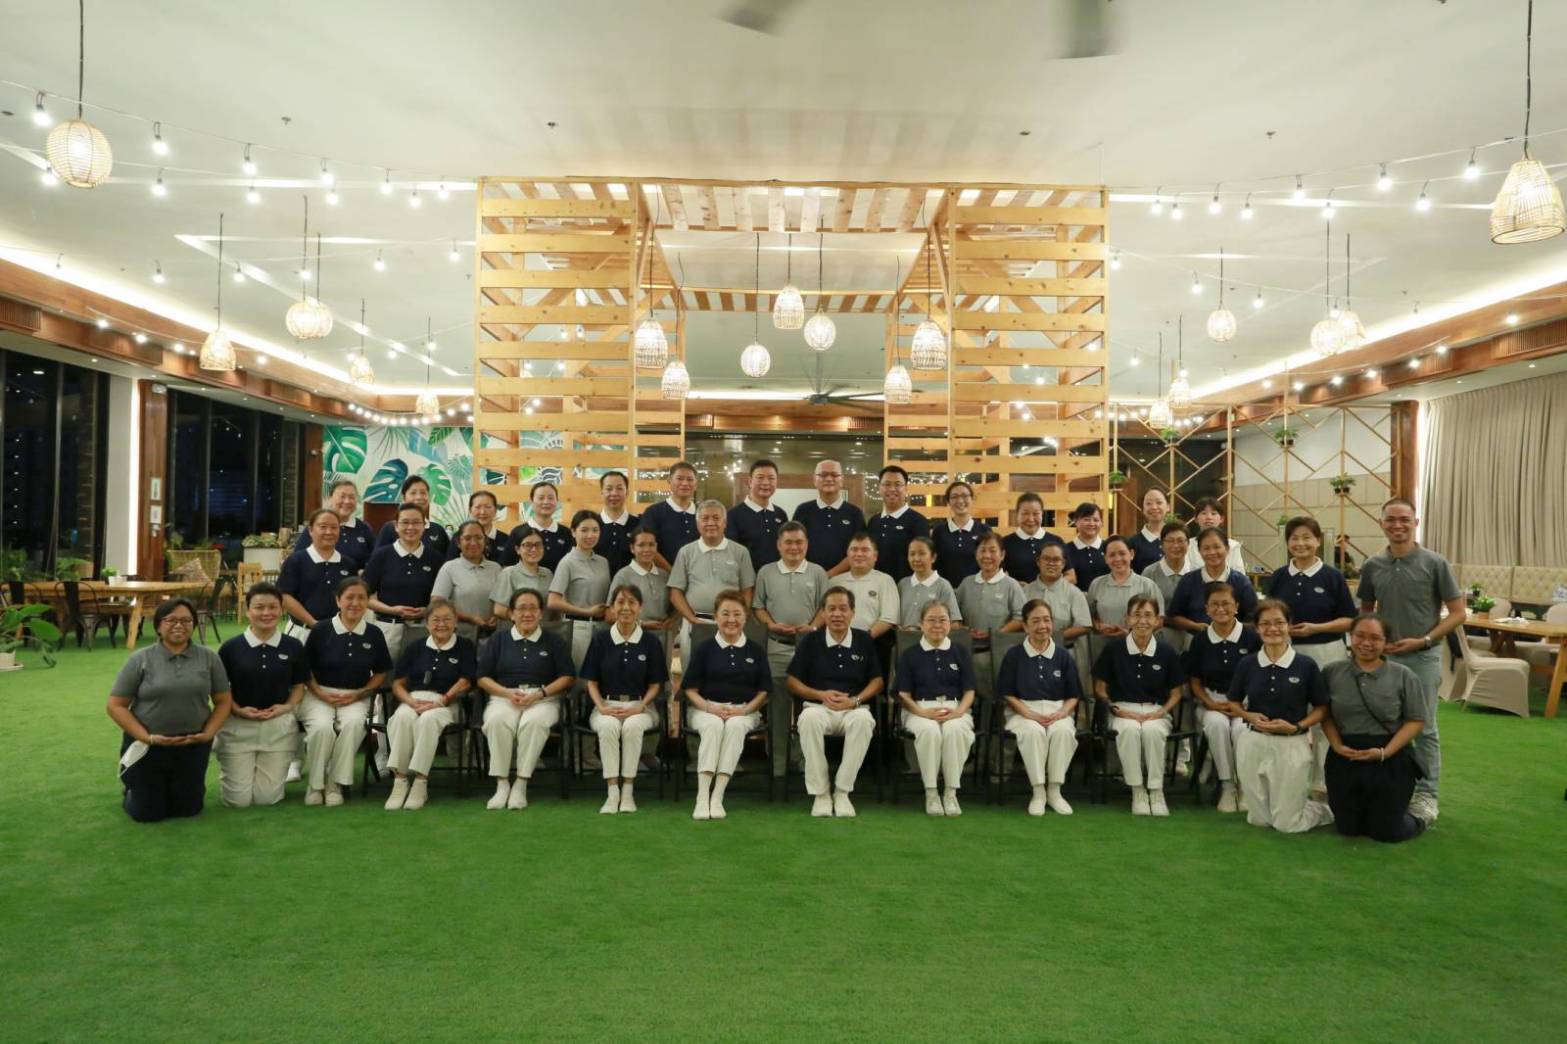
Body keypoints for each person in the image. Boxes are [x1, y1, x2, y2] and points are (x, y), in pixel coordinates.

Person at [1356, 497, 1464, 825]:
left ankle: (1427, 795)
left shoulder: (1435, 563)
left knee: (1425, 728)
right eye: (1391, 520)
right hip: (1383, 660)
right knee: (1384, 725)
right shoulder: (1373, 565)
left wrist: (1426, 639)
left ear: (1415, 522)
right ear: (1382, 523)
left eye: (1405, 519)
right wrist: (1370, 644)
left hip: (1423, 657)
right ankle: (1389, 788)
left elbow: (1458, 613)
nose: (1398, 525)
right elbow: (1366, 611)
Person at [106, 598, 233, 822]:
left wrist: (208, 734)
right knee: (148, 813)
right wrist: (147, 737)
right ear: (158, 626)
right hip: (148, 745)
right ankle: (133, 790)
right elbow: (116, 705)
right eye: (171, 620)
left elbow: (223, 700)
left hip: (192, 744)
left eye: (186, 620)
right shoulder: (140, 659)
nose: (178, 625)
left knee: (189, 809)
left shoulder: (209, 658)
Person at [1320, 614, 1428, 843]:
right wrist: (1336, 745)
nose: (1366, 643)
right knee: (1348, 828)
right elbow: (1325, 714)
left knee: (1387, 832)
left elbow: (1416, 720)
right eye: (1360, 635)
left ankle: (1420, 817)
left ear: (1386, 643)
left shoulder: (1404, 676)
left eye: (1375, 638)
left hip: (1390, 757)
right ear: (1350, 636)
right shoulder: (1332, 672)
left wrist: (1384, 752)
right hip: (1345, 757)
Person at [1229, 599, 1333, 833]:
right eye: (1265, 624)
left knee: (1287, 824)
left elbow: (1321, 708)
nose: (1272, 629)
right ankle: (1290, 805)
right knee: (1259, 820)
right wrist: (1248, 715)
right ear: (1256, 628)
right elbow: (1233, 702)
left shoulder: (1305, 665)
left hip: (1291, 743)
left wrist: (1297, 727)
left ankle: (1323, 810)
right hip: (1253, 741)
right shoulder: (1247, 664)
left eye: (1279, 623)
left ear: (1289, 625)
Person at [787, 586, 883, 817]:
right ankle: (820, 794)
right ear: (823, 613)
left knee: (864, 721)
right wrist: (820, 695)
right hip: (819, 707)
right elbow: (792, 681)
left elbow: (877, 681)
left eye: (843, 609)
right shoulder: (811, 641)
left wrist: (855, 700)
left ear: (852, 612)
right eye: (831, 609)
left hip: (853, 708)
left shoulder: (864, 640)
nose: (837, 614)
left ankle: (842, 792)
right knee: (808, 719)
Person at [477, 589, 576, 810]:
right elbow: (482, 678)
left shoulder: (554, 641)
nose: (527, 613)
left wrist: (539, 694)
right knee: (496, 721)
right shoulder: (498, 640)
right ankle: (502, 783)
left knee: (534, 722)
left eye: (533, 608)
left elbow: (567, 677)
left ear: (541, 613)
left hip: (543, 698)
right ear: (511, 613)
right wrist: (507, 693)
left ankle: (521, 783)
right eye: (521, 608)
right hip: (504, 696)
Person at [301, 577, 393, 806]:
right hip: (318, 693)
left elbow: (381, 671)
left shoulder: (374, 633)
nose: (355, 603)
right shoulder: (321, 630)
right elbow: (305, 669)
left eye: (361, 598)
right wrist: (320, 694)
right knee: (322, 728)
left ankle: (335, 784)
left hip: (356, 695)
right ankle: (315, 784)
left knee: (353, 725)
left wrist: (361, 693)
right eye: (349, 597)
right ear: (337, 600)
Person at [215, 583, 307, 808]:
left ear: (281, 609)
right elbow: (219, 690)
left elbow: (298, 686)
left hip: (278, 728)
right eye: (259, 607)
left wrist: (285, 708)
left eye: (273, 607)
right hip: (238, 727)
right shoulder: (230, 648)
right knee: (238, 801)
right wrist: (237, 709)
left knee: (267, 799)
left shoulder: (293, 646)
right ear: (247, 611)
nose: (266, 613)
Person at [681, 591, 771, 820]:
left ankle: (717, 796)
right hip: (705, 709)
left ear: (746, 617)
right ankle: (702, 797)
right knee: (713, 726)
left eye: (737, 614)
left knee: (734, 727)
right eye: (725, 614)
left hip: (744, 711)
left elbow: (764, 691)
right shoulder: (704, 649)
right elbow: (689, 689)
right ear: (716, 617)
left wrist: (744, 710)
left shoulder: (755, 651)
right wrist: (710, 708)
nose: (731, 619)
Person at [580, 584, 669, 815]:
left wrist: (640, 706)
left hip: (641, 706)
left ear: (640, 608)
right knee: (608, 727)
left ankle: (628, 791)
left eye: (632, 603)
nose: (626, 608)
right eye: (620, 602)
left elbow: (656, 684)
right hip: (606, 705)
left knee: (631, 727)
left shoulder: (651, 642)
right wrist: (601, 706)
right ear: (612, 607)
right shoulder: (600, 639)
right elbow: (591, 681)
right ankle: (612, 793)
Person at [1093, 595, 1185, 816]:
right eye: (1136, 615)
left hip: (1156, 710)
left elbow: (1176, 693)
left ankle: (1156, 790)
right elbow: (1099, 688)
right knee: (1130, 731)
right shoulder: (1114, 649)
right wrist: (1115, 708)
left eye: (1148, 615)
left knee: (1153, 732)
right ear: (1127, 619)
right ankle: (1137, 791)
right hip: (1123, 709)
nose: (1142, 620)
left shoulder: (1166, 651)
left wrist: (1162, 712)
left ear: (1156, 620)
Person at [751, 521, 828, 779]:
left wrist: (812, 627)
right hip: (776, 648)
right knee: (779, 709)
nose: (794, 547)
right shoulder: (766, 572)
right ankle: (779, 766)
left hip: (810, 651)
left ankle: (807, 762)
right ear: (779, 545)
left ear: (807, 544)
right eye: (789, 542)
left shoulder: (817, 572)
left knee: (810, 708)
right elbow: (758, 607)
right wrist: (771, 624)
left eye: (799, 542)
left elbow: (824, 607)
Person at [383, 599, 476, 811]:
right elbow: (397, 684)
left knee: (428, 719)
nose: (441, 624)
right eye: (436, 619)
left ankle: (420, 782)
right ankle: (400, 780)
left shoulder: (465, 646)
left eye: (447, 619)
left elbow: (466, 681)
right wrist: (410, 701)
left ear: (455, 623)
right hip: (414, 698)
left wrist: (442, 700)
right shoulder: (415, 647)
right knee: (401, 717)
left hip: (447, 702)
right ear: (426, 623)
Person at [1182, 582, 1262, 813]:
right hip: (1211, 702)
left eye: (1226, 603)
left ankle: (1244, 786)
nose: (1221, 609)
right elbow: (1195, 681)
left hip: (1246, 704)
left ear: (1236, 606)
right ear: (1206, 609)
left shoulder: (1251, 637)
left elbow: (1259, 676)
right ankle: (1227, 786)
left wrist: (1240, 706)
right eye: (1214, 604)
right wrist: (1210, 703)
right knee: (1216, 725)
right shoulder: (1200, 640)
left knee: (1240, 730)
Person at [998, 600, 1082, 815]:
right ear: (1025, 626)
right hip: (1022, 710)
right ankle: (1038, 792)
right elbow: (1007, 693)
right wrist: (1029, 713)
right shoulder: (1014, 655)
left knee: (1063, 731)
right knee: (1033, 732)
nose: (1042, 626)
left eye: (1046, 620)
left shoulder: (1063, 655)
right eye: (1035, 621)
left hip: (1057, 710)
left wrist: (1063, 712)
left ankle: (1054, 791)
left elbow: (1074, 695)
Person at [895, 601, 977, 816]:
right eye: (931, 620)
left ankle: (950, 793)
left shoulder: (959, 651)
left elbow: (969, 690)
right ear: (921, 624)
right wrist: (922, 713)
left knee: (955, 730)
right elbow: (903, 694)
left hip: (954, 708)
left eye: (943, 620)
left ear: (950, 624)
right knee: (930, 731)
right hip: (919, 708)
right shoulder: (910, 654)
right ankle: (931, 793)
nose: (937, 625)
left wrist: (959, 712)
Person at [363, 501, 443, 662]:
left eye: (416, 522)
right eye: (405, 522)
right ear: (396, 526)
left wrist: (427, 610)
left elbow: (442, 598)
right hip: (387, 628)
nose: (410, 527)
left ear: (424, 526)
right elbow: (364, 597)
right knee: (384, 681)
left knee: (415, 679)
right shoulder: (381, 556)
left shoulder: (435, 558)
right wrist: (393, 610)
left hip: (423, 629)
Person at [954, 531, 1026, 700]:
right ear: (976, 554)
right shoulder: (966, 583)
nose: (987, 556)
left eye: (993, 551)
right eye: (982, 550)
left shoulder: (1011, 585)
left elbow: (1021, 618)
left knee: (996, 700)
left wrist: (996, 634)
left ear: (1002, 555)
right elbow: (954, 616)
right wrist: (964, 629)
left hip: (999, 654)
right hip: (967, 652)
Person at [669, 501, 756, 628]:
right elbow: (675, 593)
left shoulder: (740, 552)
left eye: (716, 518)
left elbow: (747, 590)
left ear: (725, 523)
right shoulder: (685, 552)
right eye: (705, 519)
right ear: (698, 524)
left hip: (731, 623)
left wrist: (740, 616)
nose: (711, 523)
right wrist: (691, 619)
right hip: (694, 622)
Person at [548, 509, 613, 666]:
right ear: (573, 532)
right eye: (584, 530)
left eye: (595, 530)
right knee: (580, 680)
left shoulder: (603, 562)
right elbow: (553, 602)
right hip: (578, 629)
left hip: (603, 628)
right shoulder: (567, 562)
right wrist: (586, 611)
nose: (590, 535)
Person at [278, 508, 356, 634]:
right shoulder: (296, 561)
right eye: (323, 526)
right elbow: (285, 596)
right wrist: (314, 624)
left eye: (334, 527)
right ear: (310, 530)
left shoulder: (348, 564)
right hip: (302, 631)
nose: (329, 532)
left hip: (339, 632)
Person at [1087, 535, 1166, 656]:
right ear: (1105, 558)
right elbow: (1089, 615)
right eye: (1112, 555)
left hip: (1139, 649)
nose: (1117, 558)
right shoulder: (1096, 584)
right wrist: (1098, 626)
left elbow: (1159, 620)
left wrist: (1131, 633)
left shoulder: (1147, 585)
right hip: (1102, 648)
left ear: (1131, 554)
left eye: (1122, 553)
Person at [1169, 527, 1259, 632]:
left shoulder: (1241, 582)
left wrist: (1231, 630)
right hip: (1195, 641)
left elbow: (1255, 618)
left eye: (1217, 547)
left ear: (1227, 548)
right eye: (1206, 548)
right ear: (1199, 551)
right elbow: (1174, 616)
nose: (1212, 552)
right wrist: (1194, 626)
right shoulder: (1188, 581)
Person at [793, 459, 866, 576]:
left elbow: (858, 551)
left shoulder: (855, 513)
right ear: (814, 480)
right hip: (808, 578)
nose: (829, 479)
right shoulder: (803, 511)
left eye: (834, 475)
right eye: (823, 475)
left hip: (845, 580)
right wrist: (815, 576)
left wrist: (828, 575)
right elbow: (795, 546)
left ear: (842, 480)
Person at [433, 520, 502, 642]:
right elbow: (436, 603)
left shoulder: (496, 568)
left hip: (493, 638)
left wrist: (497, 617)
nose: (473, 542)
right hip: (459, 637)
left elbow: (503, 601)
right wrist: (470, 618)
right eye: (467, 538)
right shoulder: (449, 568)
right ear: (459, 542)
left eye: (478, 537)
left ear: (485, 541)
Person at [294, 478, 375, 569]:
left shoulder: (364, 529)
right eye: (342, 496)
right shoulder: (317, 526)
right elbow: (298, 560)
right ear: (330, 498)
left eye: (351, 497)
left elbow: (373, 561)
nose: (347, 501)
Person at [867, 464, 929, 583]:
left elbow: (923, 560)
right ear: (880, 488)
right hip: (875, 587)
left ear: (906, 489)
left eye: (898, 484)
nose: (892, 489)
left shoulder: (918, 521)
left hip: (906, 588)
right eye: (887, 484)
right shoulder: (873, 521)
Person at [608, 528, 676, 634]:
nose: (647, 549)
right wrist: (641, 624)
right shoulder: (623, 575)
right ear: (632, 548)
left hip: (663, 637)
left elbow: (673, 607)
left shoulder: (664, 575)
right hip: (632, 635)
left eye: (651, 545)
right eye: (641, 545)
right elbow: (610, 615)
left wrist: (672, 620)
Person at [726, 459, 790, 571]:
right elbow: (732, 555)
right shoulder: (733, 515)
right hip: (748, 583)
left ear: (776, 482)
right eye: (760, 478)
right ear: (750, 481)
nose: (766, 483)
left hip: (778, 579)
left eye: (771, 478)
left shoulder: (781, 514)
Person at [637, 461, 701, 571]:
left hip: (699, 578)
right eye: (680, 479)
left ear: (696, 484)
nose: (685, 483)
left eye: (690, 479)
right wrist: (673, 574)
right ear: (669, 481)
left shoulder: (703, 513)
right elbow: (648, 547)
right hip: (663, 578)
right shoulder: (654, 512)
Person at [837, 531, 900, 639]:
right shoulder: (835, 582)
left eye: (865, 550)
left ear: (875, 556)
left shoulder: (885, 580)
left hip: (873, 643)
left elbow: (889, 618)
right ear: (848, 554)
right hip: (837, 642)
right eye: (854, 549)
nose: (859, 554)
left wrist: (865, 638)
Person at [1141, 521, 1192, 652]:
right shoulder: (1149, 573)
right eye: (1170, 541)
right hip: (1157, 639)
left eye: (1181, 540)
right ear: (1161, 544)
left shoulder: (1197, 572)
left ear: (1188, 543)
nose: (1176, 545)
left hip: (1191, 639)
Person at [489, 525, 554, 622]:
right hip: (517, 632)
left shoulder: (548, 573)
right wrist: (526, 621)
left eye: (538, 544)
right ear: (517, 549)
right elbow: (499, 610)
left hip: (544, 632)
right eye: (527, 545)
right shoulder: (509, 573)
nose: (533, 549)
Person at [375, 475, 450, 559]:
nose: (419, 497)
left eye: (423, 493)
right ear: (404, 498)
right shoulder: (389, 529)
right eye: (413, 493)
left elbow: (447, 563)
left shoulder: (438, 530)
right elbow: (378, 559)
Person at [931, 481, 989, 587]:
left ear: (972, 499)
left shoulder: (984, 530)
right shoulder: (939, 531)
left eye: (965, 496)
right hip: (945, 591)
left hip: (977, 591)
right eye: (954, 497)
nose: (960, 500)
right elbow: (934, 564)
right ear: (948, 502)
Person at [898, 536, 962, 630]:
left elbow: (955, 623)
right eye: (912, 554)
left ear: (933, 557)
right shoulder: (902, 584)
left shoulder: (943, 585)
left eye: (922, 554)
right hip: (904, 641)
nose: (916, 558)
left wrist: (927, 630)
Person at [508, 481, 573, 572]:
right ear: (531, 501)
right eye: (541, 498)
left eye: (550, 498)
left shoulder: (566, 532)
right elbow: (507, 564)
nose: (546, 502)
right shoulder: (518, 532)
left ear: (557, 501)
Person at [1002, 492, 1061, 583]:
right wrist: (1015, 585)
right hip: (1019, 595)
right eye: (1025, 514)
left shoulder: (1056, 541)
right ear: (1017, 515)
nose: (1030, 519)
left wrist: (1047, 587)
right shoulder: (1005, 543)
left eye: (1036, 514)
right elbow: (996, 576)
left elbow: (1071, 576)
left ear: (1042, 514)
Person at [447, 490, 515, 566]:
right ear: (470, 510)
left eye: (488, 507)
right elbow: (451, 566)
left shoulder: (506, 540)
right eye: (477, 507)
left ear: (495, 510)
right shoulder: (459, 537)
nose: (482, 512)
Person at [594, 470, 640, 577]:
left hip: (630, 589)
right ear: (602, 492)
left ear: (627, 492)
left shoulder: (639, 525)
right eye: (609, 489)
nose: (614, 493)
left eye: (619, 489)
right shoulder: (591, 524)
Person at [1183, 496, 1245, 573]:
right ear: (1196, 519)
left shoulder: (1233, 546)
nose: (1209, 517)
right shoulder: (1187, 545)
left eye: (1213, 513)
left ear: (1221, 519)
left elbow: (1240, 574)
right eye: (1204, 513)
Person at [1064, 501, 1107, 591]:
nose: (1091, 523)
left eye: (1096, 520)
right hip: (1074, 601)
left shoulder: (1108, 547)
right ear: (1075, 521)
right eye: (1086, 519)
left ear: (1101, 523)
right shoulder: (1065, 549)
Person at [1126, 488, 1171, 574]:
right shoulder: (1132, 543)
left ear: (1168, 507)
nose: (1154, 507)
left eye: (1159, 502)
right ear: (1142, 508)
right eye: (1148, 503)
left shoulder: (1176, 539)